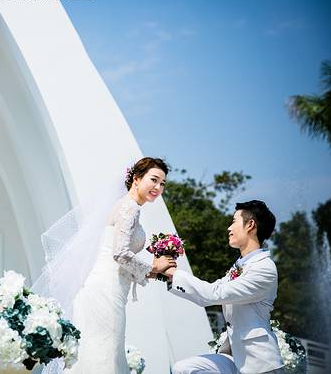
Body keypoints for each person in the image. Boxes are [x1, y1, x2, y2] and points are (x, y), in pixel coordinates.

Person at [61, 157, 176, 373]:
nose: (158, 187)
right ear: (136, 179)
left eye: (162, 184)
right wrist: (154, 266)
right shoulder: (130, 208)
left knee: (99, 352)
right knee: (106, 355)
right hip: (107, 289)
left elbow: (119, 257)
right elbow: (120, 254)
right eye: (153, 180)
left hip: (107, 286)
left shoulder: (125, 205)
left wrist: (156, 273)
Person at [164, 200, 284, 374]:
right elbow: (209, 291)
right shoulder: (239, 266)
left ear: (250, 225)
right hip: (235, 357)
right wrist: (168, 274)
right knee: (183, 369)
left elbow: (213, 294)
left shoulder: (264, 268)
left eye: (234, 221)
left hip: (260, 364)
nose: (229, 228)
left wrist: (173, 272)